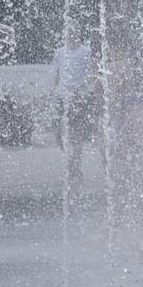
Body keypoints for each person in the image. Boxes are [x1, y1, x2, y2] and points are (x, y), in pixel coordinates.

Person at [50, 29, 98, 185]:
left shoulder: (86, 51)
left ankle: (75, 165)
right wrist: (51, 93)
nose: (71, 36)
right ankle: (71, 161)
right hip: (61, 97)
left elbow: (90, 73)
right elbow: (56, 75)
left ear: (78, 35)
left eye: (74, 33)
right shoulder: (59, 52)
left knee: (76, 135)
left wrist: (83, 90)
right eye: (69, 33)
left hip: (79, 98)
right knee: (59, 133)